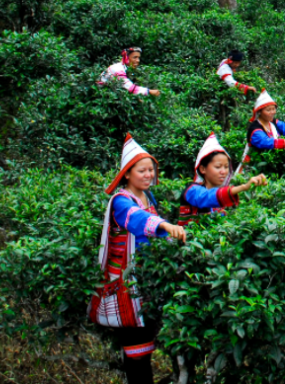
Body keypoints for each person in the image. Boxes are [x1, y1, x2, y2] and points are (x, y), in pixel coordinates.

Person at [90, 134, 186, 384]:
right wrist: (165, 225)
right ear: (127, 174)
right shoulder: (122, 201)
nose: (148, 175)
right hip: (128, 284)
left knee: (149, 340)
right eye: (142, 171)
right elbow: (137, 220)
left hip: (147, 278)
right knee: (136, 351)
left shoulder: (148, 197)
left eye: (151, 171)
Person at [178, 133, 269, 226]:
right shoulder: (191, 190)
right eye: (218, 167)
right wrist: (244, 187)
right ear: (202, 169)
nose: (223, 171)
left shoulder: (221, 203)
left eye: (226, 167)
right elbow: (207, 197)